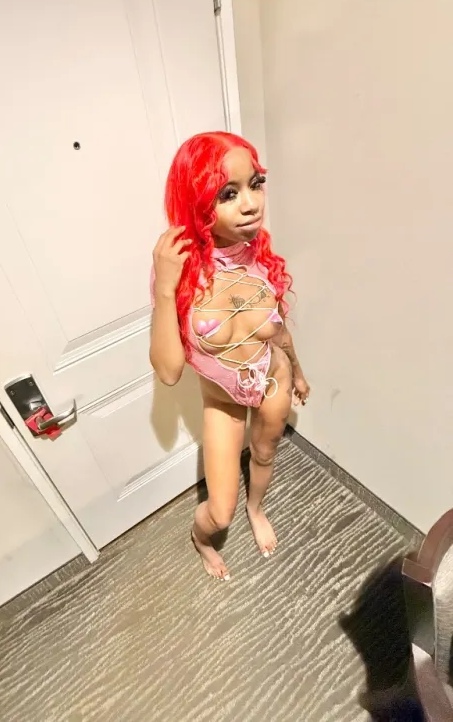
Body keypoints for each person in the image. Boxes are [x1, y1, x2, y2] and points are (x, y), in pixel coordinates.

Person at [150, 132, 310, 581]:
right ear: (197, 202)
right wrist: (165, 289)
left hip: (274, 380)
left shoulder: (259, 253)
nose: (251, 204)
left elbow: (276, 326)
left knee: (265, 454)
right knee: (219, 513)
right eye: (228, 193)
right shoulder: (178, 271)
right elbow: (168, 372)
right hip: (223, 402)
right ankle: (201, 541)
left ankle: (257, 508)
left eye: (255, 184)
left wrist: (298, 371)